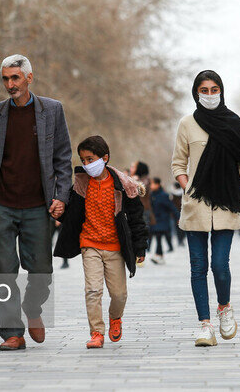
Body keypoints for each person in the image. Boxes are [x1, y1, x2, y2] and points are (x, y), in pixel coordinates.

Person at [0, 54, 73, 351]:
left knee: (41, 270)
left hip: (38, 205)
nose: (10, 84)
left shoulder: (52, 110)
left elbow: (63, 159)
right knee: (3, 271)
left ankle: (33, 307)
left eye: (15, 78)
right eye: (5, 79)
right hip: (1, 204)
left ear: (29, 77)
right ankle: (12, 331)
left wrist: (60, 197)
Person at [171, 70, 240, 347]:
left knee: (219, 264)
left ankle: (224, 308)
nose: (209, 94)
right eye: (203, 90)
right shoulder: (187, 123)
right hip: (196, 206)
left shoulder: (234, 123)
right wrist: (188, 187)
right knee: (197, 267)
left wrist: (236, 183)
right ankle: (205, 325)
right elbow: (178, 163)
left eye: (213, 89)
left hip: (226, 205)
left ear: (221, 90)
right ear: (196, 93)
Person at [54, 136, 148, 348]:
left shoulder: (123, 186)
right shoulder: (81, 184)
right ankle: (96, 332)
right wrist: (58, 211)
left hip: (115, 248)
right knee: (93, 290)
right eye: (83, 160)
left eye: (90, 159)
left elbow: (136, 219)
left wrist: (140, 247)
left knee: (119, 294)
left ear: (105, 158)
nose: (86, 164)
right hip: (90, 245)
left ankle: (116, 318)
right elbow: (71, 214)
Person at [149, 177, 180, 265]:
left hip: (163, 220)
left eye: (153, 184)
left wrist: (178, 217)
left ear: (158, 184)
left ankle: (158, 255)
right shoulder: (151, 195)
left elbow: (172, 207)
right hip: (155, 220)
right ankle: (160, 256)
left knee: (158, 237)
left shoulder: (164, 195)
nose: (151, 186)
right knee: (158, 238)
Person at [170, 182, 186, 246]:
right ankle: (182, 239)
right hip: (183, 212)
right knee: (184, 228)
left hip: (175, 213)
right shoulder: (184, 193)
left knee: (177, 228)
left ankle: (180, 240)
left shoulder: (173, 195)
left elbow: (171, 204)